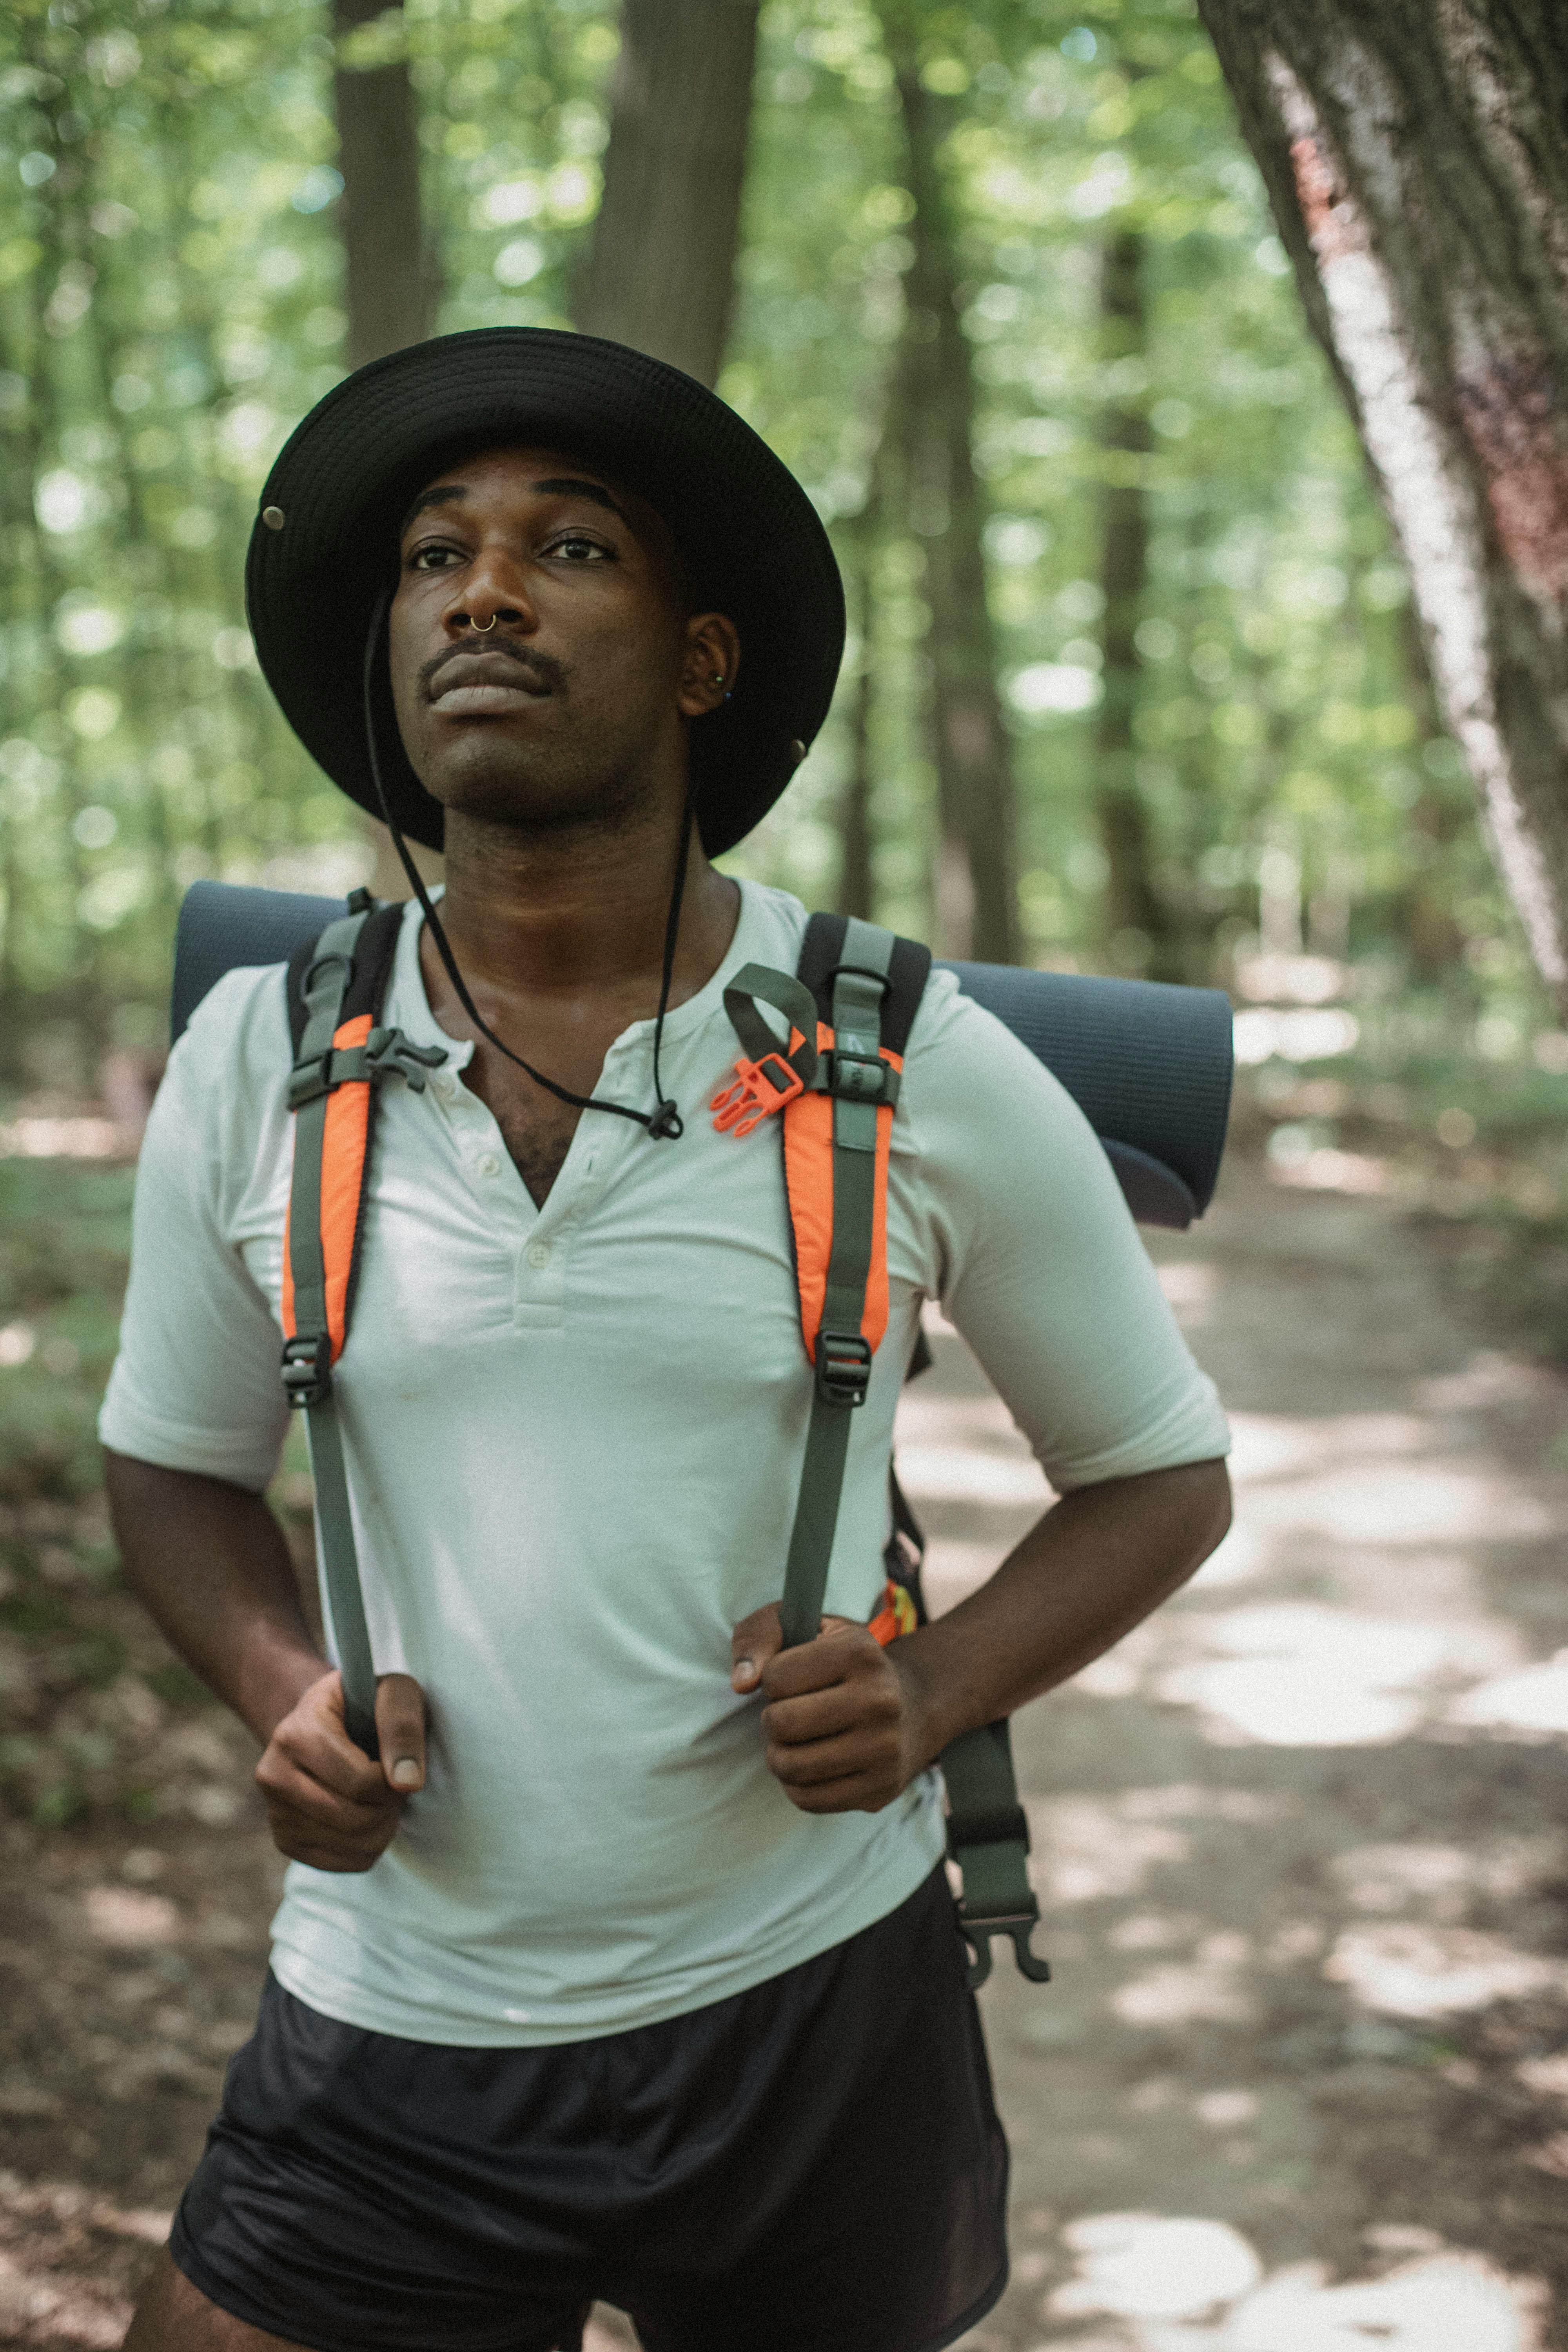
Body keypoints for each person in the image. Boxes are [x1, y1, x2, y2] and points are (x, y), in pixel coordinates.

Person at [103, 328, 1232, 2352]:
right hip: (395, 2020)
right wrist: (283, 1686)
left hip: (815, 2013)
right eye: (434, 554)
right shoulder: (259, 1057)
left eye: (571, 548)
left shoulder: (904, 1058)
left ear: (704, 662)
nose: (482, 589)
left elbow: (1157, 1475)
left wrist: (936, 1683)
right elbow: (173, 1465)